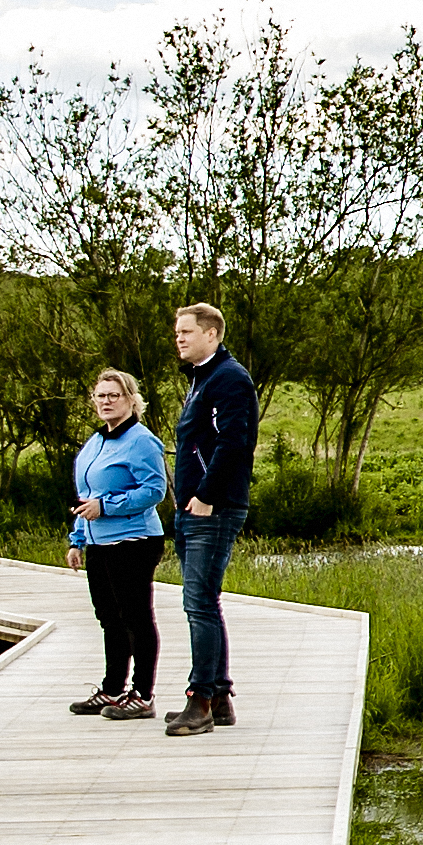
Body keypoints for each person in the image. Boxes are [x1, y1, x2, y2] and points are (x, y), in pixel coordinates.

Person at [162, 300, 259, 736]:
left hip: (212, 507)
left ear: (212, 334)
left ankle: (199, 700)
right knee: (204, 602)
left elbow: (234, 442)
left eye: (186, 331)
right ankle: (219, 698)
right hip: (191, 507)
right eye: (177, 332)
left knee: (198, 603)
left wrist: (205, 495)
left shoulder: (229, 378)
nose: (179, 339)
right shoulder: (202, 378)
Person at [67, 368, 168, 717]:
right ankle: (112, 690)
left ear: (131, 400)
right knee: (109, 618)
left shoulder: (141, 441)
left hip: (134, 540)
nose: (106, 402)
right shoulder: (96, 442)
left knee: (136, 617)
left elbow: (154, 490)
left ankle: (143, 695)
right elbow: (87, 495)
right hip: (98, 543)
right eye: (101, 396)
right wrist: (77, 539)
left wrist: (107, 507)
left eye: (114, 395)